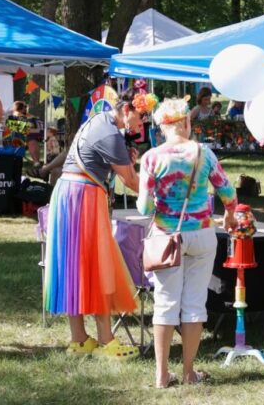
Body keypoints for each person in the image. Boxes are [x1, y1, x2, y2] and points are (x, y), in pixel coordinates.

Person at [138, 97, 238, 388]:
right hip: (203, 235)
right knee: (195, 304)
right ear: (187, 123)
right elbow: (229, 193)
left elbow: (144, 209)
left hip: (167, 237)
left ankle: (160, 375)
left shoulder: (152, 158)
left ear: (161, 127)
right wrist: (230, 216)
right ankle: (189, 372)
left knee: (165, 304)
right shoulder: (204, 153)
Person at [43, 93, 142, 360]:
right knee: (97, 265)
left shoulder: (99, 121)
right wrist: (164, 194)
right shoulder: (110, 134)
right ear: (127, 109)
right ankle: (107, 341)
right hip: (84, 197)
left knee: (73, 266)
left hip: (68, 192)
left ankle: (79, 339)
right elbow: (132, 181)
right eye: (141, 116)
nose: (141, 124)